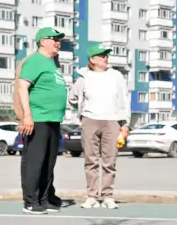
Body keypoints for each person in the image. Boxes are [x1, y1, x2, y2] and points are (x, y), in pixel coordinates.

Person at [69, 44, 131, 210]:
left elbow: (125, 100)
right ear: (92, 59)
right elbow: (72, 98)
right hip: (90, 121)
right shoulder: (83, 77)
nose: (106, 57)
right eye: (102, 55)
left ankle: (107, 196)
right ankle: (92, 196)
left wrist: (125, 125)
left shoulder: (116, 76)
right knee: (91, 161)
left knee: (109, 161)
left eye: (106, 54)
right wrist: (82, 111)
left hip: (112, 121)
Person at [16, 27, 68, 215]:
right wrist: (27, 116)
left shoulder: (52, 64)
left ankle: (44, 199)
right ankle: (30, 201)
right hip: (38, 119)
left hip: (53, 119)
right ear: (42, 41)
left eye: (58, 39)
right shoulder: (35, 61)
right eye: (53, 39)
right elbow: (22, 87)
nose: (57, 42)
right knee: (35, 162)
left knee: (49, 162)